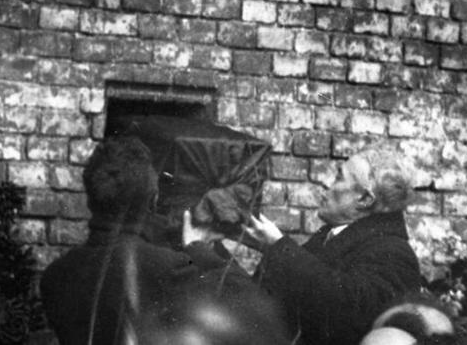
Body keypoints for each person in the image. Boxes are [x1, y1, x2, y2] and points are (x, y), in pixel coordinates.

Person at [40, 136, 289, 345]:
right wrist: (197, 248)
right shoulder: (172, 269)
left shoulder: (54, 276)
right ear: (153, 200)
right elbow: (250, 309)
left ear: (90, 199)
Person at [243, 145, 422, 345]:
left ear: (364, 199)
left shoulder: (394, 253)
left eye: (338, 177)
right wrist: (272, 249)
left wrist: (279, 247)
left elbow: (343, 311)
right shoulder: (333, 235)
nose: (327, 184)